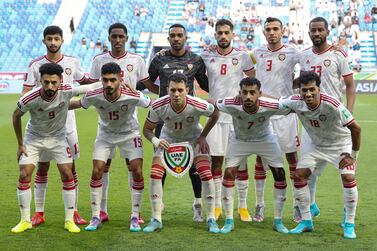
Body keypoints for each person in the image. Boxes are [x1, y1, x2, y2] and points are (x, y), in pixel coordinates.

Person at [12, 63, 98, 233]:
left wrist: (107, 83)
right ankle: (25, 220)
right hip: (34, 138)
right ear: (40, 81)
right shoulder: (29, 98)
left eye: (53, 82)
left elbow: (90, 87)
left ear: (60, 80)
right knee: (24, 174)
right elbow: (16, 115)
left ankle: (69, 220)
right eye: (46, 82)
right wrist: (21, 144)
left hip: (58, 138)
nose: (50, 86)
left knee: (67, 173)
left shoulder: (66, 89)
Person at [137, 23, 209, 222]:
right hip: (164, 117)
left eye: (180, 35)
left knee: (194, 165)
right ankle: (159, 203)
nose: (176, 38)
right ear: (168, 39)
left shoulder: (196, 60)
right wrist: (156, 94)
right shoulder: (159, 59)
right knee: (162, 161)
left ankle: (197, 204)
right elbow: (148, 81)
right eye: (173, 36)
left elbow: (205, 85)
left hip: (189, 116)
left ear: (185, 38)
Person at [69, 62, 152, 232]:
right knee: (97, 170)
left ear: (121, 79)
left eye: (112, 80)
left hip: (130, 134)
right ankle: (95, 216)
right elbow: (77, 104)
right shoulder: (94, 94)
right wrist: (54, 104)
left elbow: (151, 104)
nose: (108, 84)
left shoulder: (133, 95)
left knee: (137, 171)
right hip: (106, 136)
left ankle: (135, 216)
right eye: (105, 80)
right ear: (101, 80)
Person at [22, 25, 88, 227]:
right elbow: (24, 95)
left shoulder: (72, 62)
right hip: (44, 125)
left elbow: (87, 82)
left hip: (68, 124)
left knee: (70, 167)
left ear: (62, 40)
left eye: (56, 39)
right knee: (42, 166)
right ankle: (39, 213)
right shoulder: (35, 65)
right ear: (44, 41)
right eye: (49, 39)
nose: (53, 42)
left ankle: (74, 212)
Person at [280, 71, 360, 239]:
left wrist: (353, 155)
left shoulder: (332, 103)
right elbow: (274, 104)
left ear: (318, 89)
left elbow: (356, 128)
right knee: (299, 176)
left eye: (312, 89)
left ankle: (349, 223)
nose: (308, 94)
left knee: (348, 178)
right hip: (317, 145)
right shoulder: (295, 102)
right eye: (304, 90)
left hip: (340, 145)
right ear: (299, 91)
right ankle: (307, 221)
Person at [142, 72, 220, 233]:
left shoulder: (198, 104)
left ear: (187, 89)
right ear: (167, 89)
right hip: (168, 140)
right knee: (155, 174)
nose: (176, 94)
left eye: (180, 90)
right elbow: (147, 130)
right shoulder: (158, 105)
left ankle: (211, 218)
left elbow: (215, 113)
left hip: (193, 139)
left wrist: (203, 136)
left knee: (205, 173)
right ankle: (156, 218)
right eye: (173, 90)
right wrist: (156, 141)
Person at [89, 22, 150, 224]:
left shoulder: (137, 60)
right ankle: (102, 210)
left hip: (128, 121)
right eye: (113, 36)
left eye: (121, 37)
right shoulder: (99, 60)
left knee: (133, 167)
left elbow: (147, 84)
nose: (117, 40)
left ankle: (136, 212)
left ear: (126, 38)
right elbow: (91, 86)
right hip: (105, 123)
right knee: (102, 167)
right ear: (109, 38)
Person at [214, 77, 290, 234]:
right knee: (228, 173)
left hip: (265, 140)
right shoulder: (231, 103)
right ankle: (229, 221)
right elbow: (212, 103)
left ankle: (278, 221)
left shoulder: (270, 105)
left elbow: (293, 106)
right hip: (240, 140)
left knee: (280, 174)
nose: (248, 96)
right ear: (239, 93)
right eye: (245, 93)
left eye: (252, 93)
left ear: (259, 93)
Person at [298, 17, 355, 218]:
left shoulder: (338, 54)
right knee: (308, 169)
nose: (316, 34)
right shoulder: (303, 55)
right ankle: (310, 206)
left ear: (327, 31)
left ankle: (349, 211)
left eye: (320, 30)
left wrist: (349, 112)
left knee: (346, 172)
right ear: (309, 33)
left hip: (333, 119)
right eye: (313, 30)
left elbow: (349, 85)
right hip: (311, 121)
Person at [201, 19, 255, 221]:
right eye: (219, 33)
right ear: (215, 35)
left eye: (226, 32)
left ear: (232, 34)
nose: (223, 36)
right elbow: (198, 75)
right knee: (216, 161)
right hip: (215, 116)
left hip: (236, 117)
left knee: (240, 163)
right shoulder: (206, 55)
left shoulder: (243, 56)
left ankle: (242, 207)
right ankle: (216, 206)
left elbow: (252, 81)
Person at [249, 17, 301, 222]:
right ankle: (259, 205)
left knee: (292, 159)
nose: (271, 32)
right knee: (261, 159)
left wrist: (292, 85)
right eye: (268, 29)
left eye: (275, 29)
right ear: (263, 32)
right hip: (263, 114)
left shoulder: (293, 52)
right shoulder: (257, 53)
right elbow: (236, 60)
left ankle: (297, 205)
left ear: (283, 31)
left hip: (285, 113)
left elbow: (308, 70)